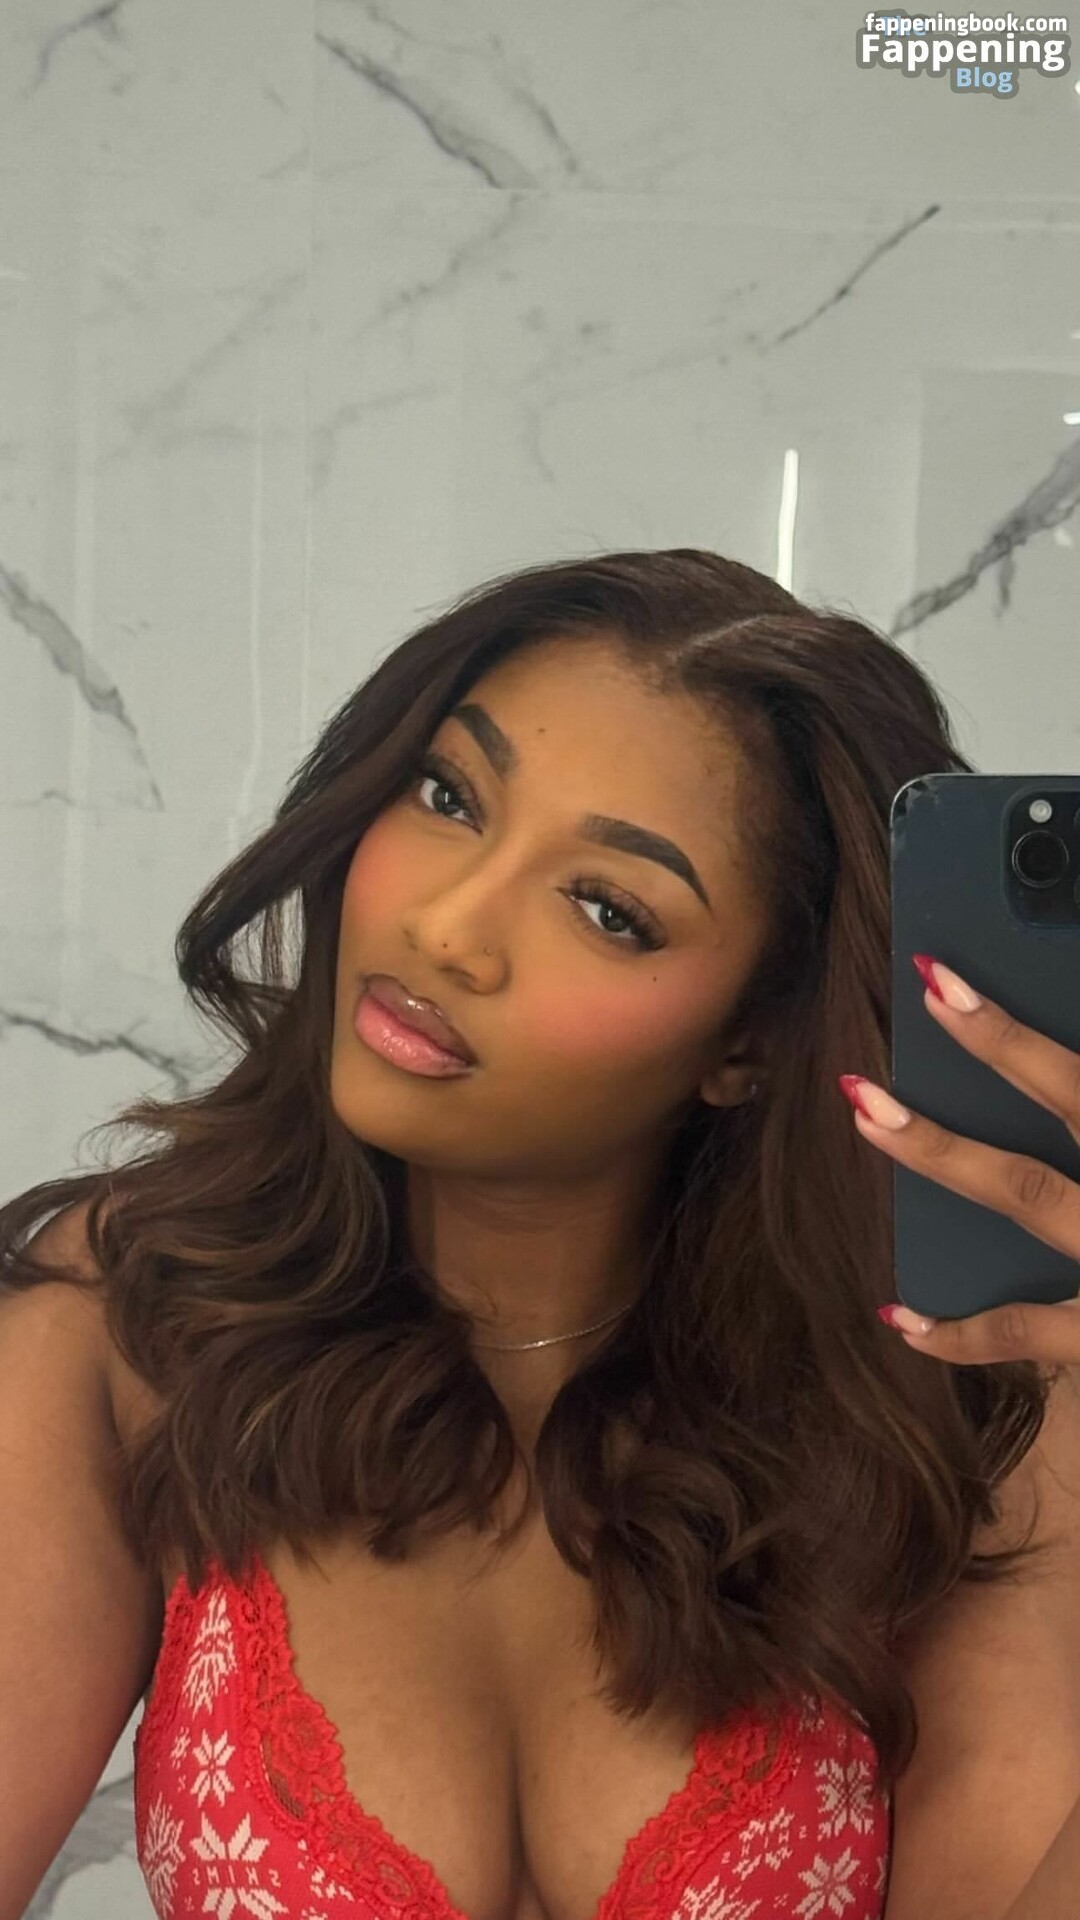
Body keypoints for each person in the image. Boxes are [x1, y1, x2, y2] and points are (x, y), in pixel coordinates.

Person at [1, 548, 1078, 1920]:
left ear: (750, 1043)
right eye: (450, 797)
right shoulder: (126, 1323)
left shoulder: (953, 1402)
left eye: (608, 908)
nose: (447, 928)